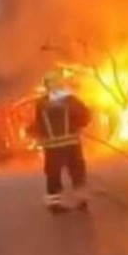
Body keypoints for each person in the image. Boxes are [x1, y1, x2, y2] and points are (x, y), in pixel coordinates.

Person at [29, 73, 91, 213]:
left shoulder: (41, 103)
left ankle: (54, 206)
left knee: (53, 176)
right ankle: (82, 202)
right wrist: (79, 125)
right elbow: (85, 116)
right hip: (71, 144)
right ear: (60, 84)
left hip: (51, 147)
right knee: (77, 173)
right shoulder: (70, 100)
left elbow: (38, 124)